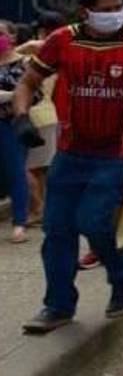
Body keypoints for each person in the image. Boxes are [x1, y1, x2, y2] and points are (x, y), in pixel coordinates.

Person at [13, 0, 123, 334]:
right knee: (57, 229)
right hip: (71, 150)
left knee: (93, 221)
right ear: (84, 10)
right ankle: (57, 305)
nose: (114, 14)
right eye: (105, 9)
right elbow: (27, 82)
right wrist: (22, 116)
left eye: (118, 7)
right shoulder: (62, 41)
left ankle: (122, 276)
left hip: (119, 150)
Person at [21, 11, 68, 227]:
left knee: (25, 168)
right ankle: (43, 208)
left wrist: (26, 46)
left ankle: (38, 208)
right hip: (51, 115)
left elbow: (14, 56)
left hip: (36, 115)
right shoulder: (62, 55)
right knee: (40, 168)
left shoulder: (34, 60)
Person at [0, 19, 37, 244]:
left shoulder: (23, 64)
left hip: (11, 123)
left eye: (1, 33)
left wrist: (10, 96)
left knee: (15, 171)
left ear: (12, 37)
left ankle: (19, 223)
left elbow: (34, 93)